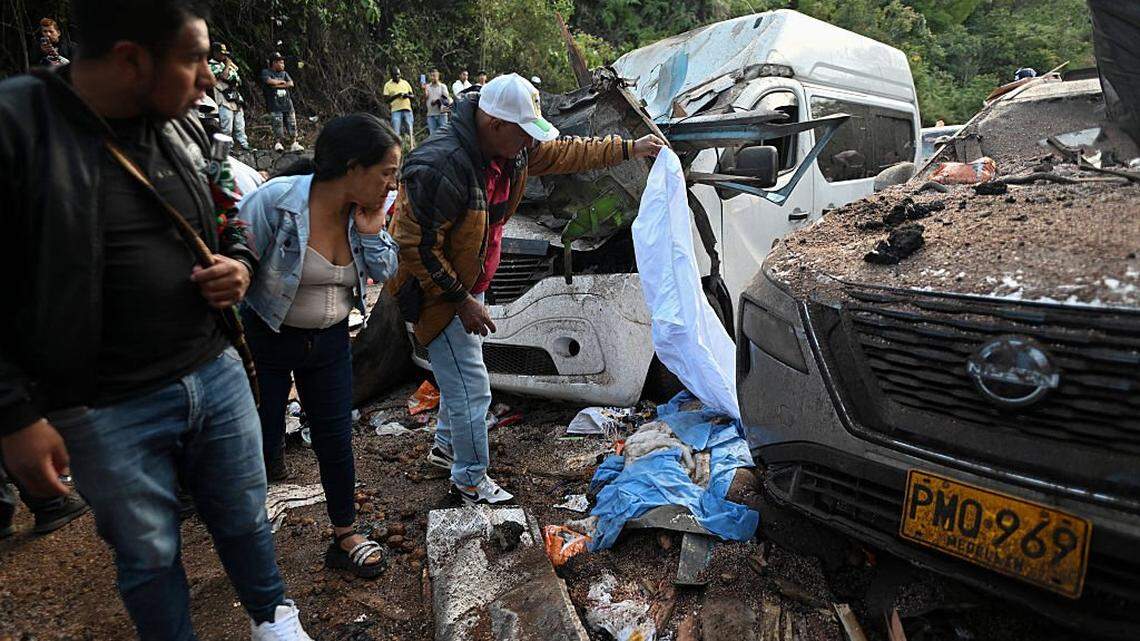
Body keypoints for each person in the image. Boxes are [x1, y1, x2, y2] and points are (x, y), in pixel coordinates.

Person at [0, 1, 314, 639]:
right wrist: (15, 414)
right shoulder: (16, 127)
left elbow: (227, 213)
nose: (210, 80)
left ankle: (275, 623)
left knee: (245, 516)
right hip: (102, 403)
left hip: (213, 371)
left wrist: (239, 263)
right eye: (195, 58)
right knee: (148, 552)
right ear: (130, 60)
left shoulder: (182, 126)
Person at [388, 74, 665, 505]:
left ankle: (447, 449)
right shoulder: (440, 166)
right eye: (522, 134)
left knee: (461, 376)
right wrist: (461, 301)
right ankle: (471, 479)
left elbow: (563, 152)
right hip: (436, 295)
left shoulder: (510, 151)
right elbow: (413, 245)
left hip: (467, 285)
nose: (528, 144)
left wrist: (629, 148)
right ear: (495, 124)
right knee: (473, 388)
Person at [238, 113, 400, 579]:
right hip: (267, 336)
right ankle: (247, 534)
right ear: (353, 168)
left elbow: (384, 271)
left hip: (330, 340)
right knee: (259, 436)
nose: (392, 183)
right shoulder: (275, 203)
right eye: (386, 172)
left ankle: (345, 533)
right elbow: (235, 261)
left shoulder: (362, 214)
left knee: (335, 438)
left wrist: (372, 231)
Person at [209, 41, 250, 150]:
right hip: (223, 98)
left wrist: (229, 69)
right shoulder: (210, 66)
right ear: (215, 53)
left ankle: (244, 144)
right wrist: (227, 66)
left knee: (240, 124)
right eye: (221, 53)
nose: (224, 56)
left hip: (235, 97)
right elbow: (225, 76)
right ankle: (227, 147)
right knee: (226, 125)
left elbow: (238, 79)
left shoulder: (227, 65)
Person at [261, 52, 303, 152]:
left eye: (283, 62)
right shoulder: (266, 72)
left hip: (287, 104)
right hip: (274, 104)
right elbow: (269, 81)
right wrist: (281, 82)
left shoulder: (284, 74)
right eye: (280, 62)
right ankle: (278, 143)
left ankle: (294, 143)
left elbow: (291, 84)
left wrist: (277, 85)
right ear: (274, 63)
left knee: (292, 124)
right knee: (277, 124)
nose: (283, 65)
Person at [383, 67, 415, 147]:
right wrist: (396, 96)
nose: (397, 76)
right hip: (395, 110)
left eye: (398, 74)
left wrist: (407, 95)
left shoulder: (405, 83)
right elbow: (386, 100)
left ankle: (412, 147)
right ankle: (397, 149)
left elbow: (413, 96)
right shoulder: (387, 85)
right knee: (396, 131)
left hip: (407, 109)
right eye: (395, 75)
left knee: (410, 129)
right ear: (391, 75)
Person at [424, 68, 452, 136]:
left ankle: (444, 147)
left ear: (438, 76)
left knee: (443, 134)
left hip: (442, 114)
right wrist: (424, 91)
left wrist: (437, 101)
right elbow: (424, 99)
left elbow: (446, 99)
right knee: (432, 135)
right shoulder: (427, 86)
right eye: (431, 76)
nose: (433, 77)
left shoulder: (443, 86)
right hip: (431, 114)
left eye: (434, 76)